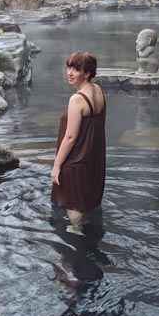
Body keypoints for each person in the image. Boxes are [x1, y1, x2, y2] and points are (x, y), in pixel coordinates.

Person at [51, 51, 106, 236]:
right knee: (85, 199)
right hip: (94, 158)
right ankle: (86, 224)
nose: (70, 72)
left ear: (87, 73)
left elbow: (70, 137)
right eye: (69, 67)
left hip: (76, 161)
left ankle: (77, 231)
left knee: (73, 201)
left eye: (76, 69)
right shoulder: (98, 91)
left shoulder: (77, 99)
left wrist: (57, 166)